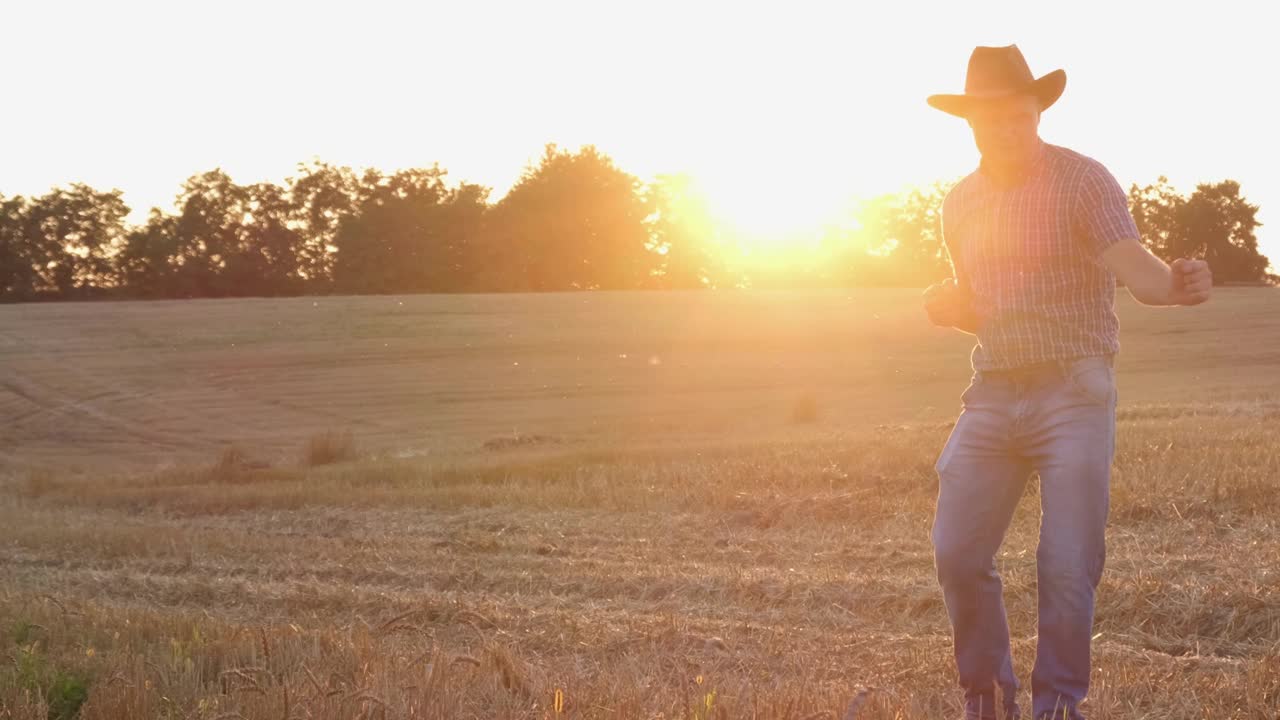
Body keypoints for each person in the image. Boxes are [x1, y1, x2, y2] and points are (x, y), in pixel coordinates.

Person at [923, 45, 1212, 720]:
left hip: (1074, 394)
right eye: (991, 117)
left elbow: (1139, 274)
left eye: (1019, 115)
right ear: (970, 122)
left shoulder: (1084, 182)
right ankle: (987, 699)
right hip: (992, 392)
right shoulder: (959, 203)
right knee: (957, 554)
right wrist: (949, 309)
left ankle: (1057, 707)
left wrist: (1178, 285)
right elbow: (982, 304)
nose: (1006, 128)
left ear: (1036, 111)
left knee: (1065, 562)